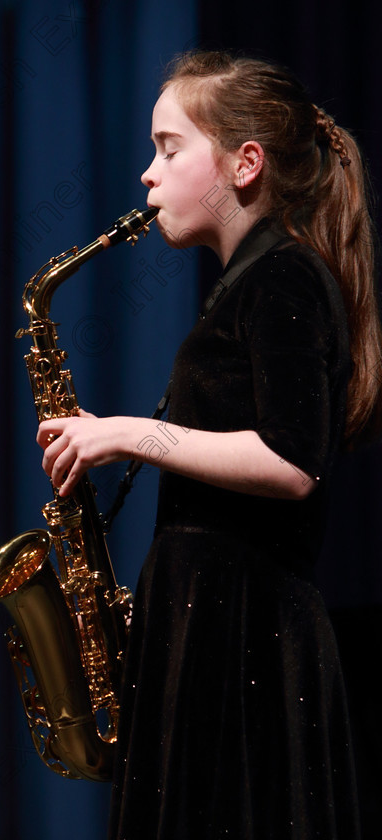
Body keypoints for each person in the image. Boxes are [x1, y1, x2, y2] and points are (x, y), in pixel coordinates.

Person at [36, 50, 382, 839]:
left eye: (168, 148)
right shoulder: (250, 283)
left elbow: (293, 464)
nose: (146, 176)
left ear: (245, 163)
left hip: (245, 641)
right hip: (213, 631)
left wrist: (128, 433)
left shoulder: (286, 278)